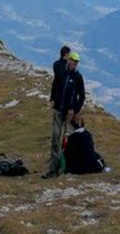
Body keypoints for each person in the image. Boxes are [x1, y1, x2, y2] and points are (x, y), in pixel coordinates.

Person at [48, 50, 85, 179]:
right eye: (72, 60)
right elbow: (54, 85)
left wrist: (75, 110)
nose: (74, 63)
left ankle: (65, 167)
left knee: (67, 141)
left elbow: (82, 96)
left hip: (69, 115)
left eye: (76, 62)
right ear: (68, 60)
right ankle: (53, 167)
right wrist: (52, 99)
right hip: (58, 110)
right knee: (55, 138)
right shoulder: (61, 72)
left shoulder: (78, 77)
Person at [44, 46, 71, 179]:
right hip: (59, 106)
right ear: (66, 55)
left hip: (65, 108)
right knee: (57, 135)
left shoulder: (70, 71)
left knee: (65, 137)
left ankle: (63, 161)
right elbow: (58, 79)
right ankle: (55, 162)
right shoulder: (60, 66)